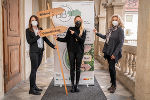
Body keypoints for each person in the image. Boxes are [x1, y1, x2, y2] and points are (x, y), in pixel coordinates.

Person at [93, 14, 124, 93]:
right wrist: (97, 33)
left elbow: (121, 43)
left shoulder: (120, 30)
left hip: (113, 52)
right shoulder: (110, 29)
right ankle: (112, 84)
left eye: (116, 20)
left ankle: (114, 86)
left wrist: (115, 54)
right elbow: (105, 37)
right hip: (108, 51)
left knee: (112, 69)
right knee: (110, 69)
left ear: (119, 21)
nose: (114, 21)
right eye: (113, 20)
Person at [26, 15, 56, 95]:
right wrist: (38, 36)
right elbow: (29, 41)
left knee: (35, 69)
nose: (34, 21)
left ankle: (34, 86)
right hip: (33, 52)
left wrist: (53, 46)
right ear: (30, 21)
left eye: (35, 20)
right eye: (32, 20)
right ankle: (31, 89)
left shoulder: (41, 29)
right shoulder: (28, 30)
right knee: (33, 70)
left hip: (40, 52)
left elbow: (45, 39)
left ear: (37, 21)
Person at [55, 15, 86, 93]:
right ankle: (72, 85)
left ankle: (77, 85)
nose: (78, 21)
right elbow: (66, 39)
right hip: (71, 51)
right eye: (76, 20)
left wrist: (74, 34)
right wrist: (57, 38)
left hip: (79, 51)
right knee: (72, 68)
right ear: (74, 21)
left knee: (78, 68)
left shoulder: (83, 30)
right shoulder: (70, 29)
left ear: (81, 21)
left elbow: (82, 41)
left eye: (79, 20)